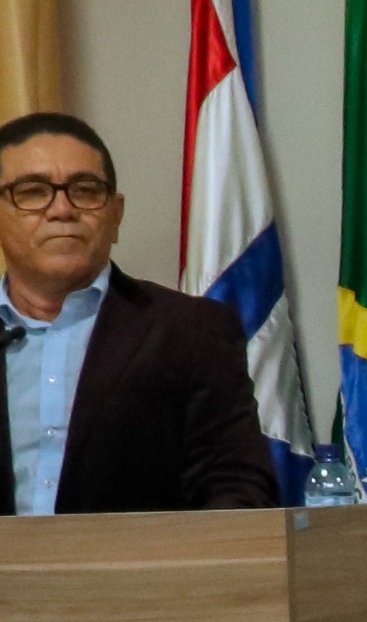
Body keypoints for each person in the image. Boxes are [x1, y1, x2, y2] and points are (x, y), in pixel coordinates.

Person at [1, 112, 276, 515]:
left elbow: (236, 488)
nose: (62, 209)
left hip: (149, 558)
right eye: (33, 192)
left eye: (85, 190)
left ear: (116, 215)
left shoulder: (190, 331)